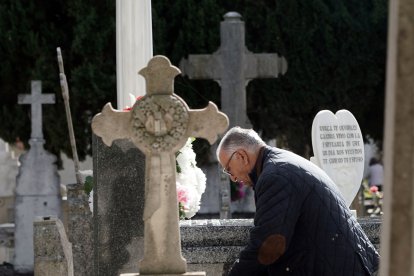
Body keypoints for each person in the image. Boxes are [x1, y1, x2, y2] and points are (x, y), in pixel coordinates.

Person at [216, 127, 380, 276]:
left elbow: (268, 245)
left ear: (241, 156)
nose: (234, 178)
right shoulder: (281, 162)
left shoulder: (275, 176)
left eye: (229, 170)